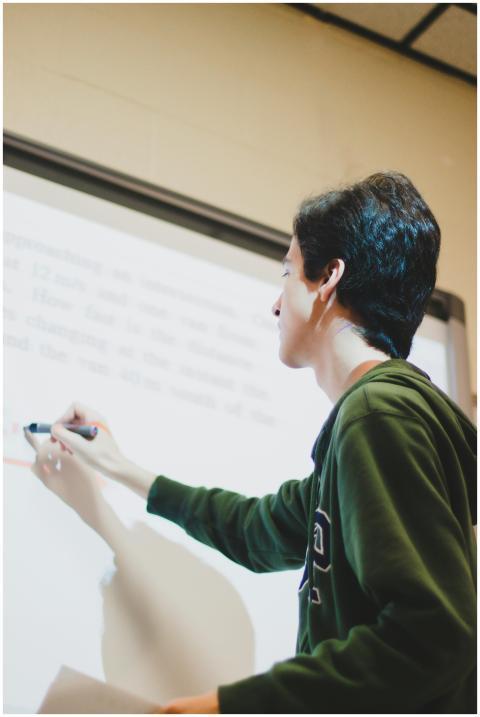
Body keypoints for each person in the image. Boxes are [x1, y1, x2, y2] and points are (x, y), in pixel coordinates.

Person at [25, 171, 476, 713]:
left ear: (329, 276)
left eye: (287, 271)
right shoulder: (377, 422)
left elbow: (431, 637)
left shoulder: (377, 415)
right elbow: (255, 530)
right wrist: (119, 468)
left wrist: (228, 706)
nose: (276, 304)